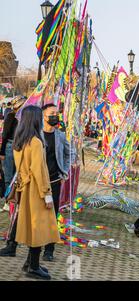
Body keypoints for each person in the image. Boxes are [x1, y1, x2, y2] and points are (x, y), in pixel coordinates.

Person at [9, 106, 60, 280]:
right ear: (36, 120)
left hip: (25, 187)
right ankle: (33, 266)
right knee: (40, 228)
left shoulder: (19, 140)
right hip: (36, 189)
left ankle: (30, 263)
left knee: (32, 227)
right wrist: (46, 194)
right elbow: (40, 170)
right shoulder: (36, 142)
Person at [41, 103, 72, 262]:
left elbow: (69, 153)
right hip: (38, 183)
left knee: (52, 216)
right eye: (52, 113)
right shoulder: (36, 134)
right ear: (44, 116)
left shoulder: (59, 135)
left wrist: (64, 171)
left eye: (57, 113)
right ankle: (31, 245)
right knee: (37, 216)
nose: (55, 116)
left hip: (54, 181)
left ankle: (49, 249)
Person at [0, 96, 26, 196]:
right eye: (22, 104)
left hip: (21, 146)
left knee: (17, 174)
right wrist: (2, 152)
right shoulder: (11, 116)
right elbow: (5, 134)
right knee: (9, 175)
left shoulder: (24, 117)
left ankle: (14, 198)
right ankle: (8, 199)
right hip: (10, 146)